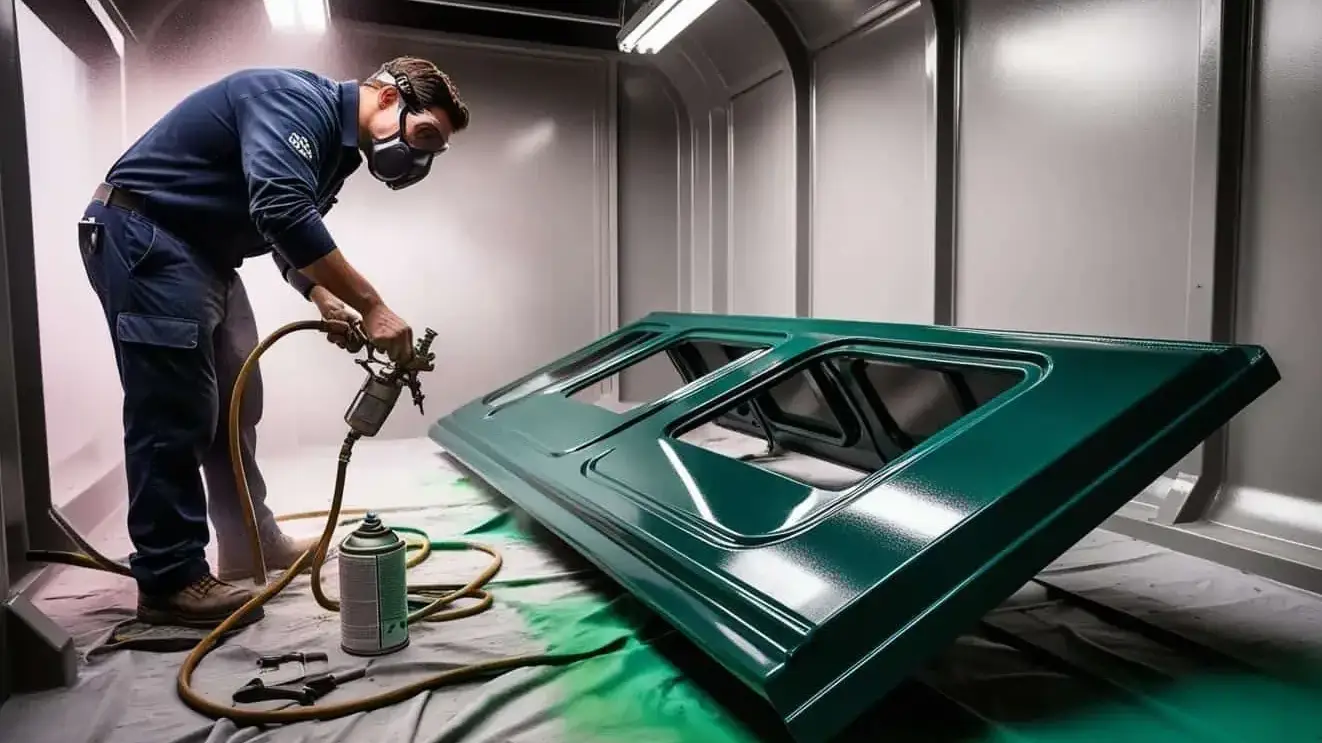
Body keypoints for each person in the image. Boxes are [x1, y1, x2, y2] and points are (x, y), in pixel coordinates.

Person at [76, 57, 469, 628]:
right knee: (177, 408)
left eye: (434, 148)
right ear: (387, 97)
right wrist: (373, 306)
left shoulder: (338, 152)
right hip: (146, 235)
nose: (421, 156)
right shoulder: (293, 101)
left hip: (206, 255)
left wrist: (318, 292)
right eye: (424, 135)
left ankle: (246, 542)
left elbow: (281, 220)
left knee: (238, 398)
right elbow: (281, 208)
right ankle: (169, 581)